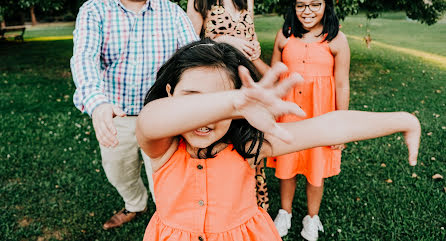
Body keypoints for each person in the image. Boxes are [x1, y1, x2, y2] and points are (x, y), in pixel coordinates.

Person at [135, 40, 420, 241]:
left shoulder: (247, 147)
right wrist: (232, 102)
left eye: (219, 101)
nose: (206, 117)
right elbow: (149, 119)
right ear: (170, 92)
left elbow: (330, 126)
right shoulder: (164, 146)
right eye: (194, 98)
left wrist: (403, 120)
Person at [70, 0, 198, 230]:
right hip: (118, 117)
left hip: (162, 117)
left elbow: (193, 59)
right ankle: (135, 203)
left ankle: (169, 220)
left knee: (164, 181)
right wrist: (97, 103)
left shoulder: (172, 12)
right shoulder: (94, 11)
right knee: (119, 172)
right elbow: (84, 59)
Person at [186, 0, 271, 210]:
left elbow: (250, 32)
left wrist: (254, 47)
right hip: (218, 85)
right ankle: (223, 208)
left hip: (248, 81)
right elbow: (189, 48)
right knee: (223, 148)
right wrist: (225, 40)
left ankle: (254, 207)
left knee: (251, 145)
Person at [266, 0, 350, 240]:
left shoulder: (336, 40)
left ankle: (312, 217)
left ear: (326, 5)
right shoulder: (285, 35)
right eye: (301, 5)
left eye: (315, 4)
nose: (308, 11)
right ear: (294, 7)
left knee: (316, 169)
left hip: (321, 115)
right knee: (287, 166)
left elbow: (342, 84)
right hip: (288, 114)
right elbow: (273, 77)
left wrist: (342, 126)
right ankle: (285, 212)